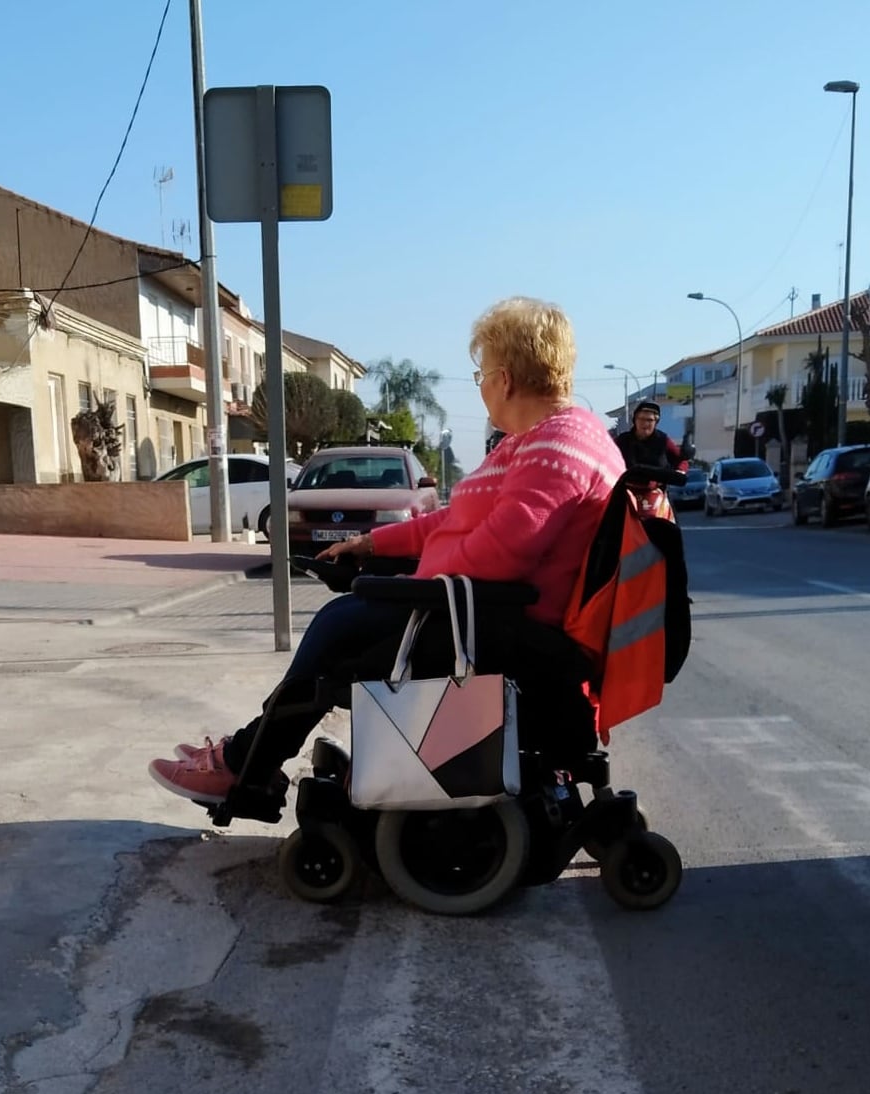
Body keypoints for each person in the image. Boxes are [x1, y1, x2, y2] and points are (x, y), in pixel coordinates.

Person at [151, 296, 625, 808]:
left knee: (339, 630)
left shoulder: (557, 447)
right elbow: (455, 521)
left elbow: (501, 554)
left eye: (481, 375)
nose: (482, 386)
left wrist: (410, 589)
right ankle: (249, 759)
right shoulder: (537, 440)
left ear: (504, 379)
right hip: (479, 610)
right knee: (343, 618)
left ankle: (245, 769)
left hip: (502, 625)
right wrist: (375, 543)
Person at [613, 399, 687, 483]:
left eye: (650, 420)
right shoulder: (622, 440)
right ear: (635, 420)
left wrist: (680, 471)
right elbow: (606, 455)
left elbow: (682, 460)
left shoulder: (663, 440)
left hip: (657, 489)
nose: (645, 423)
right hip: (625, 487)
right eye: (641, 419)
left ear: (656, 422)